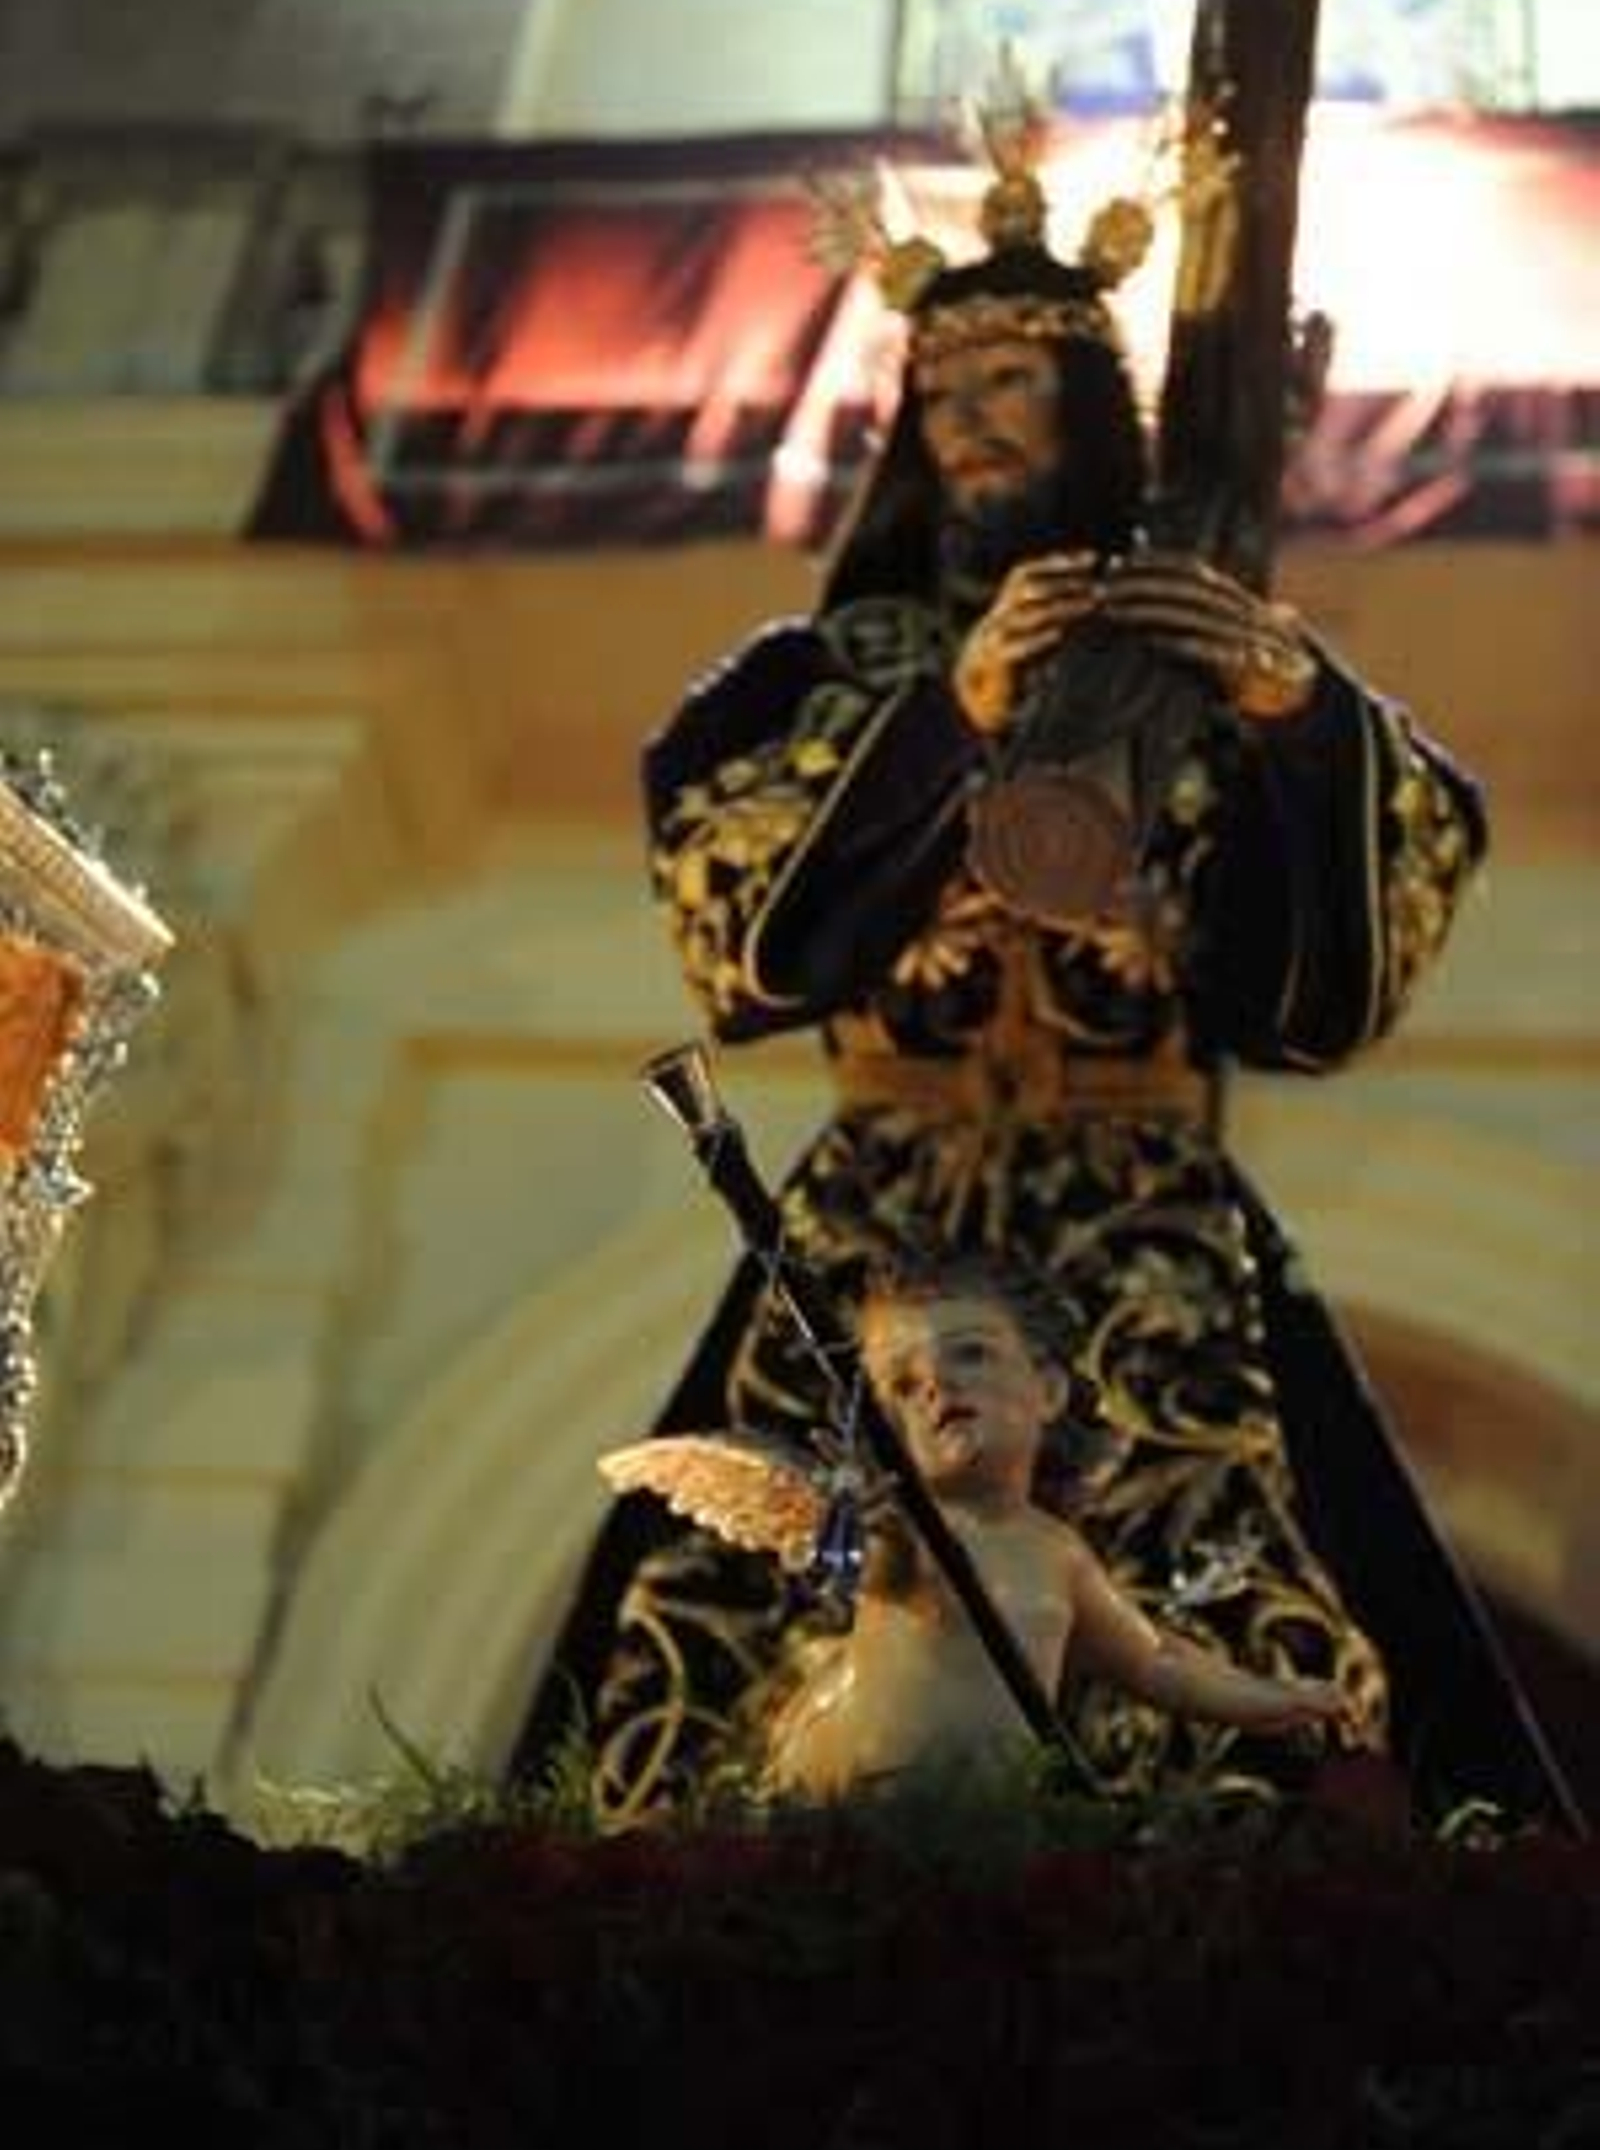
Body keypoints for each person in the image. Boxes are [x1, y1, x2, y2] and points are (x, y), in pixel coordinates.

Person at [517, 97, 1577, 1834]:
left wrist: (1302, 719)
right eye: (944, 396)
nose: (973, 421)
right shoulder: (817, 677)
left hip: (1147, 1203)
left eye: (1012, 385)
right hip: (889, 1195)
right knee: (757, 1658)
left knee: (1236, 1571)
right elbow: (739, 927)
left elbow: (1321, 987)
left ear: (1092, 412)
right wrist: (957, 717)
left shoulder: (1182, 650)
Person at [763, 1258, 1356, 1802]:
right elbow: (862, 1571)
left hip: (987, 1815)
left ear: (1048, 1390)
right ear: (882, 1435)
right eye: (903, 1385)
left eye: (969, 1354)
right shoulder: (909, 1531)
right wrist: (871, 1530)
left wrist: (1273, 1699)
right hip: (875, 1793)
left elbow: (1158, 1660)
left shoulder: (1056, 1552)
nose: (937, 1386)